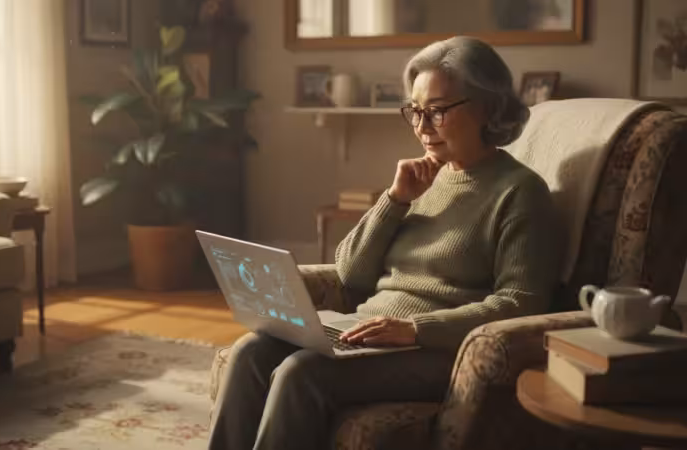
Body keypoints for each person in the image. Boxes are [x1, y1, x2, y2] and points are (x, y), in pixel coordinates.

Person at [208, 36, 561, 450]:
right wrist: (393, 201)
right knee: (251, 352)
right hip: (364, 333)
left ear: (487, 106)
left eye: (438, 112)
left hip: (437, 349)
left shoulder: (521, 192)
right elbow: (351, 273)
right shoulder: (425, 178)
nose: (421, 127)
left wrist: (414, 329)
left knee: (300, 374)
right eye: (415, 111)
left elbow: (522, 302)